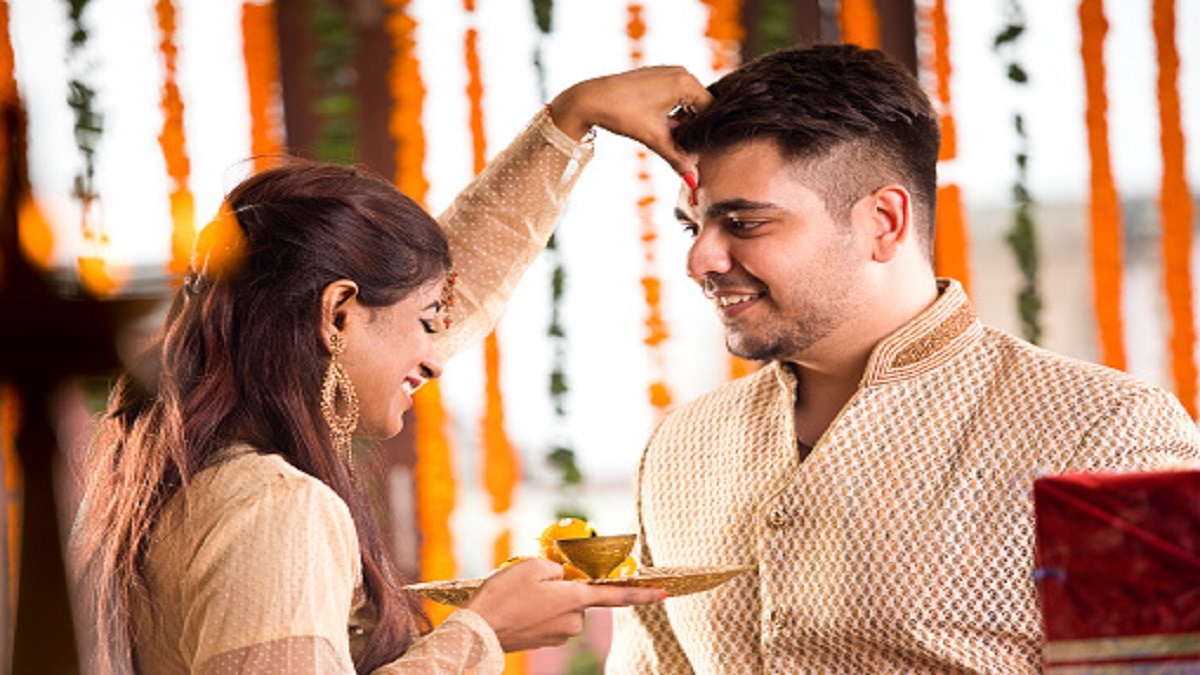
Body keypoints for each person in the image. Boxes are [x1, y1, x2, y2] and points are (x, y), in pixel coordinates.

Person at [68, 66, 711, 675]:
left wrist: (572, 118)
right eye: (429, 321)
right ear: (337, 313)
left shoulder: (156, 464)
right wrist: (481, 634)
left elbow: (436, 297)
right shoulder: (274, 505)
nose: (436, 357)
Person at [604, 43, 1200, 673]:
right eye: (692, 227)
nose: (699, 260)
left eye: (744, 224)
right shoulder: (681, 445)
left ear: (883, 221)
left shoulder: (1104, 430)